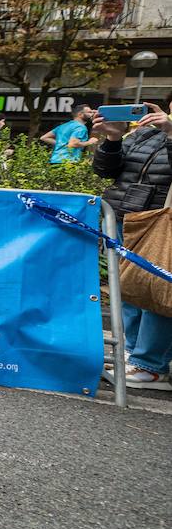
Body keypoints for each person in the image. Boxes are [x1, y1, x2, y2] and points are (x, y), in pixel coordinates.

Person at [92, 102, 172, 383]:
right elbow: (106, 171)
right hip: (125, 217)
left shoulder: (166, 131)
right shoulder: (143, 133)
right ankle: (132, 353)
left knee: (156, 292)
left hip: (161, 223)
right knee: (128, 289)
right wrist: (113, 138)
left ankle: (150, 363)